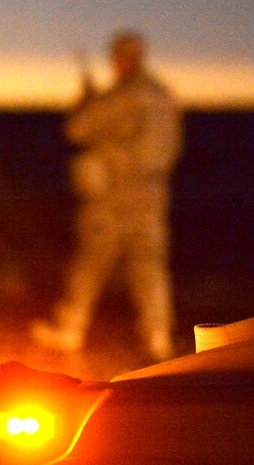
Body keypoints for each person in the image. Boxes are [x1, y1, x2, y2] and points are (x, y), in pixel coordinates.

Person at [30, 30, 183, 362]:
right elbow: (171, 147)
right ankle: (158, 337)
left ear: (121, 59)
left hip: (116, 194)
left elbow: (76, 129)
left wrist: (88, 99)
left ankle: (69, 330)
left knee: (90, 263)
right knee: (150, 267)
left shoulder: (123, 95)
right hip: (153, 193)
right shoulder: (163, 95)